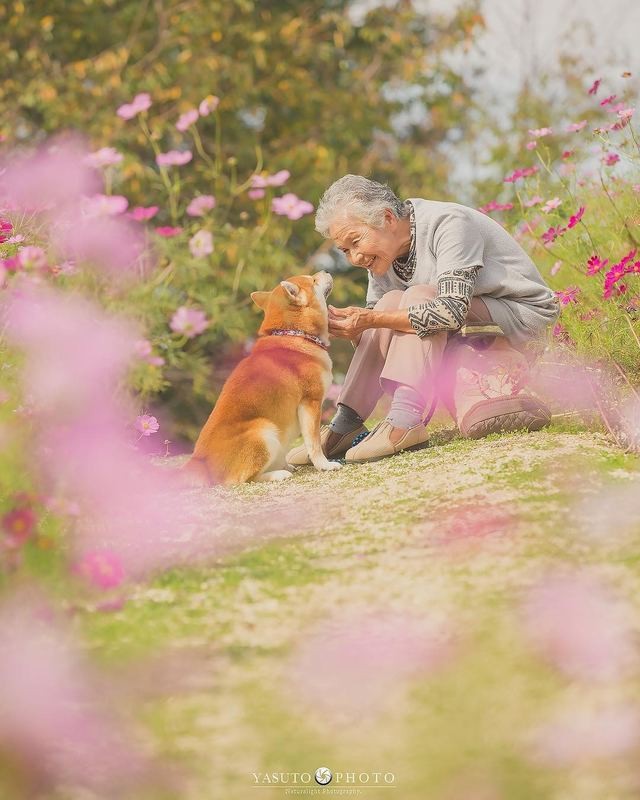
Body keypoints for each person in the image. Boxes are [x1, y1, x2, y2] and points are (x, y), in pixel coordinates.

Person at [287, 174, 559, 465]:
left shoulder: (450, 224)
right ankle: (347, 423)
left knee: (418, 295)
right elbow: (384, 333)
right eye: (345, 251)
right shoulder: (382, 256)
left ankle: (406, 419)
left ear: (387, 218)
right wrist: (354, 327)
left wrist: (373, 319)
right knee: (391, 301)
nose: (355, 258)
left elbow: (450, 310)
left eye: (356, 242)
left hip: (520, 316)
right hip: (463, 321)